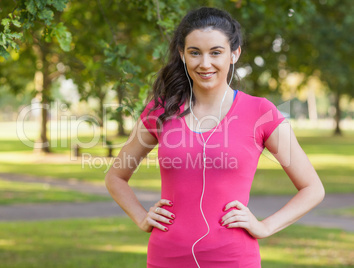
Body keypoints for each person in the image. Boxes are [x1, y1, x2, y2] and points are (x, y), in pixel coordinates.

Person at [105, 7, 325, 268]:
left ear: (235, 53)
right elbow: (115, 177)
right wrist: (142, 217)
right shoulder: (161, 110)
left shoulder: (260, 112)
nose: (204, 63)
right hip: (166, 258)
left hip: (234, 258)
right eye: (194, 52)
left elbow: (313, 188)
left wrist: (265, 226)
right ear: (181, 54)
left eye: (216, 52)